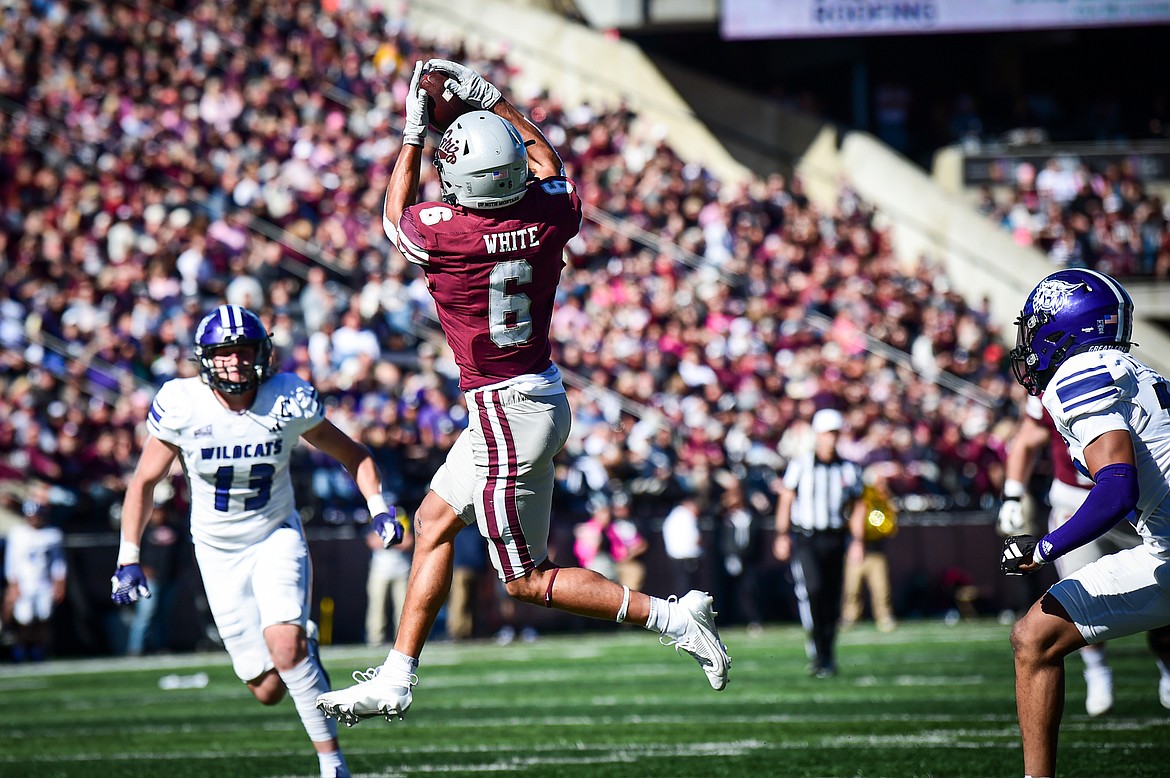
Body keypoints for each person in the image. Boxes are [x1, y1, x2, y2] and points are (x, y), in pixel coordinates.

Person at [316, 58, 730, 726]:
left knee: (526, 578)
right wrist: (496, 101)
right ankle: (396, 677)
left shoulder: (447, 234)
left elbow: (395, 217)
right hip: (524, 398)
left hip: (507, 409)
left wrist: (413, 132)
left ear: (458, 182)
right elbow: (547, 164)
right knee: (431, 524)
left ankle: (673, 618)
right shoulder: (549, 213)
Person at [109, 304, 406, 778]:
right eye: (224, 353)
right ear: (205, 359)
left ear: (262, 354)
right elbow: (143, 483)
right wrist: (128, 557)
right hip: (216, 549)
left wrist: (378, 507)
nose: (236, 362)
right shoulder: (183, 403)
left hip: (275, 534)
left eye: (244, 351)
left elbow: (355, 454)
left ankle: (333, 764)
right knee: (267, 689)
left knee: (286, 649)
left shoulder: (287, 398)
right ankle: (301, 648)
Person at [1001, 268, 1170, 777]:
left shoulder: (1078, 374)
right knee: (1035, 637)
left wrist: (1046, 546)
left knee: (1033, 639)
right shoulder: (1136, 372)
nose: (1029, 344)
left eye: (1035, 328)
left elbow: (1118, 487)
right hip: (1162, 546)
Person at [999, 391, 1170, 716]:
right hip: (1075, 502)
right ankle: (1097, 670)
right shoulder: (1051, 393)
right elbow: (1026, 439)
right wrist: (1011, 494)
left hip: (1133, 504)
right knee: (1076, 596)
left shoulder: (1107, 381)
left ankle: (1165, 663)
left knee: (1160, 588)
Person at [773, 408, 866, 678]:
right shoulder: (801, 464)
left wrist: (858, 540)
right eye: (827, 433)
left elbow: (857, 504)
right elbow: (787, 498)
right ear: (817, 435)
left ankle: (828, 654)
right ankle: (817, 651)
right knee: (813, 590)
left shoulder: (849, 468)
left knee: (831, 598)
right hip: (807, 538)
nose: (831, 439)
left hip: (835, 537)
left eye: (835, 433)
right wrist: (781, 534)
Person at [3, 496, 66, 662]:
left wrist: (59, 583)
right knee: (24, 618)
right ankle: (21, 649)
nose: (34, 519)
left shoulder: (53, 534)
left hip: (44, 582)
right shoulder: (18, 534)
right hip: (25, 583)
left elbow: (58, 563)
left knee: (44, 618)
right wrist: (13, 585)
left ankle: (39, 650)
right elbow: (12, 561)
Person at [365, 507, 414, 647]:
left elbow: (409, 542)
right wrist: (394, 541)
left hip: (402, 570)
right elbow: (372, 541)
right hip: (380, 571)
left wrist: (388, 541)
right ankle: (375, 640)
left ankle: (403, 642)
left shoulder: (404, 516)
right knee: (377, 609)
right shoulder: (377, 516)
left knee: (403, 610)